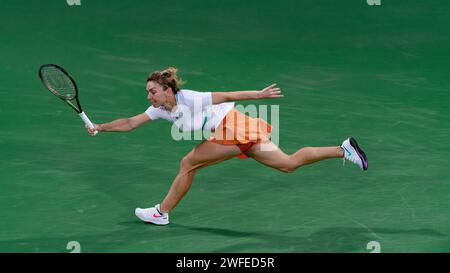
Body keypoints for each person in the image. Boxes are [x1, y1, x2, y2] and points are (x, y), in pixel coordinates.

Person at [86, 67, 368, 225]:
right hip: (239, 130)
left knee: (188, 163)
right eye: (147, 92)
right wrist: (99, 126)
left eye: (153, 91)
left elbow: (226, 96)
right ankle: (343, 149)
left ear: (168, 90)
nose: (149, 96)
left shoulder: (190, 98)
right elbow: (130, 123)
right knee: (288, 164)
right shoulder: (162, 110)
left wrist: (259, 94)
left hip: (233, 127)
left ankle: (161, 212)